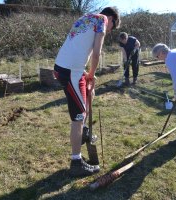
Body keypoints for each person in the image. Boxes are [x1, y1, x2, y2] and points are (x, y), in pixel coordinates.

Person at [53, 7, 120, 177]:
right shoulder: (102, 20)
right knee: (78, 116)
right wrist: (91, 74)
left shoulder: (86, 18)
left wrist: (87, 75)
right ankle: (76, 162)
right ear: (111, 18)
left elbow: (77, 47)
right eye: (113, 26)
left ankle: (82, 132)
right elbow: (96, 54)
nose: (110, 30)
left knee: (89, 95)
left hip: (67, 67)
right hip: (70, 71)